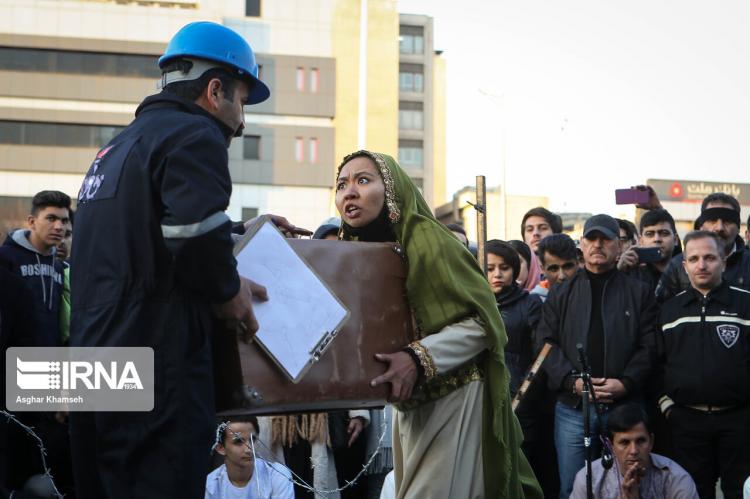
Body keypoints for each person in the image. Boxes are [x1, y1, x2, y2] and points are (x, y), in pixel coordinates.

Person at [68, 22, 275, 499]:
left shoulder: (116, 149)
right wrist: (229, 290)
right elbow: (193, 236)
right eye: (241, 102)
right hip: (158, 371)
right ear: (215, 89)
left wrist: (240, 231)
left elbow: (147, 241)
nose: (241, 122)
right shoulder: (192, 134)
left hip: (97, 368)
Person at [334, 150, 542, 498]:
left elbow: (484, 322)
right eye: (341, 185)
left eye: (363, 180)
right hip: (409, 406)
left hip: (455, 398)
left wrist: (417, 358)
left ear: (392, 190)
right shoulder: (363, 254)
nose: (349, 192)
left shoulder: (430, 241)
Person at [536, 213, 657, 498]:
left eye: (606, 239)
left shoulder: (639, 292)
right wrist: (571, 382)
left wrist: (625, 383)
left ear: (620, 245)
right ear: (582, 244)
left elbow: (650, 345)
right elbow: (545, 344)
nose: (598, 245)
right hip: (573, 408)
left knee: (628, 484)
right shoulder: (561, 292)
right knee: (572, 487)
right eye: (592, 238)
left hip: (624, 406)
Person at [657, 230, 750, 499]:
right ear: (684, 265)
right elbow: (656, 363)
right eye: (694, 258)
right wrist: (667, 406)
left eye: (709, 257)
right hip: (687, 421)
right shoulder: (670, 310)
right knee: (694, 492)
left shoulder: (745, 303)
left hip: (739, 420)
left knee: (739, 490)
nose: (702, 264)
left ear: (723, 261)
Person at [570, 403, 698, 499]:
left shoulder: (675, 478)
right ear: (610, 445)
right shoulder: (589, 479)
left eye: (641, 441)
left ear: (651, 442)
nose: (634, 451)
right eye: (624, 443)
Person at [0, 190, 70, 347]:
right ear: (32, 222)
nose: (59, 227)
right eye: (51, 218)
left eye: (64, 221)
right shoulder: (6, 258)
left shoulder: (58, 266)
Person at [657, 193, 750, 301]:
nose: (719, 227)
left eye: (727, 221)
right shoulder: (677, 266)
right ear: (701, 226)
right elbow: (662, 310)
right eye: (712, 220)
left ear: (738, 227)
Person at [206, 416, 294, 499]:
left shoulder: (277, 475)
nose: (249, 449)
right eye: (239, 442)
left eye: (253, 439)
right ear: (221, 448)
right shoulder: (211, 485)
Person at [618, 209, 677, 292]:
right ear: (641, 240)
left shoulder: (687, 272)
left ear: (675, 240)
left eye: (664, 233)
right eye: (649, 234)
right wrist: (619, 273)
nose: (657, 239)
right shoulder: (630, 273)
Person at [532, 233, 579, 301]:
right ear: (543, 269)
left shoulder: (592, 295)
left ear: (577, 264)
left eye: (567, 267)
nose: (561, 276)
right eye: (554, 269)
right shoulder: (533, 305)